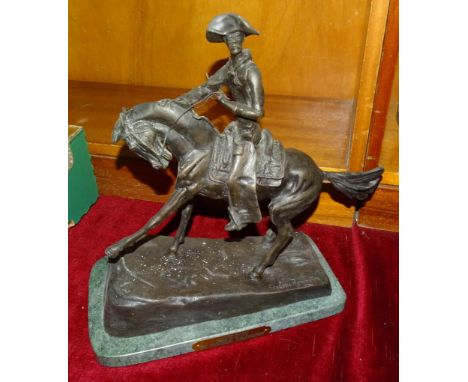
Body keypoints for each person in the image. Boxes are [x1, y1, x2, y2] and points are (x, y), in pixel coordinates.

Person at [176, 13, 264, 231]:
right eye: (228, 39)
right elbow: (206, 88)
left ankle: (243, 215)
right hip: (235, 127)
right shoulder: (230, 67)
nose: (233, 43)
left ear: (243, 39)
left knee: (236, 173)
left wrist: (227, 103)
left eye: (236, 38)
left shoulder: (251, 71)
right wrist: (177, 103)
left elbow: (257, 111)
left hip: (248, 130)